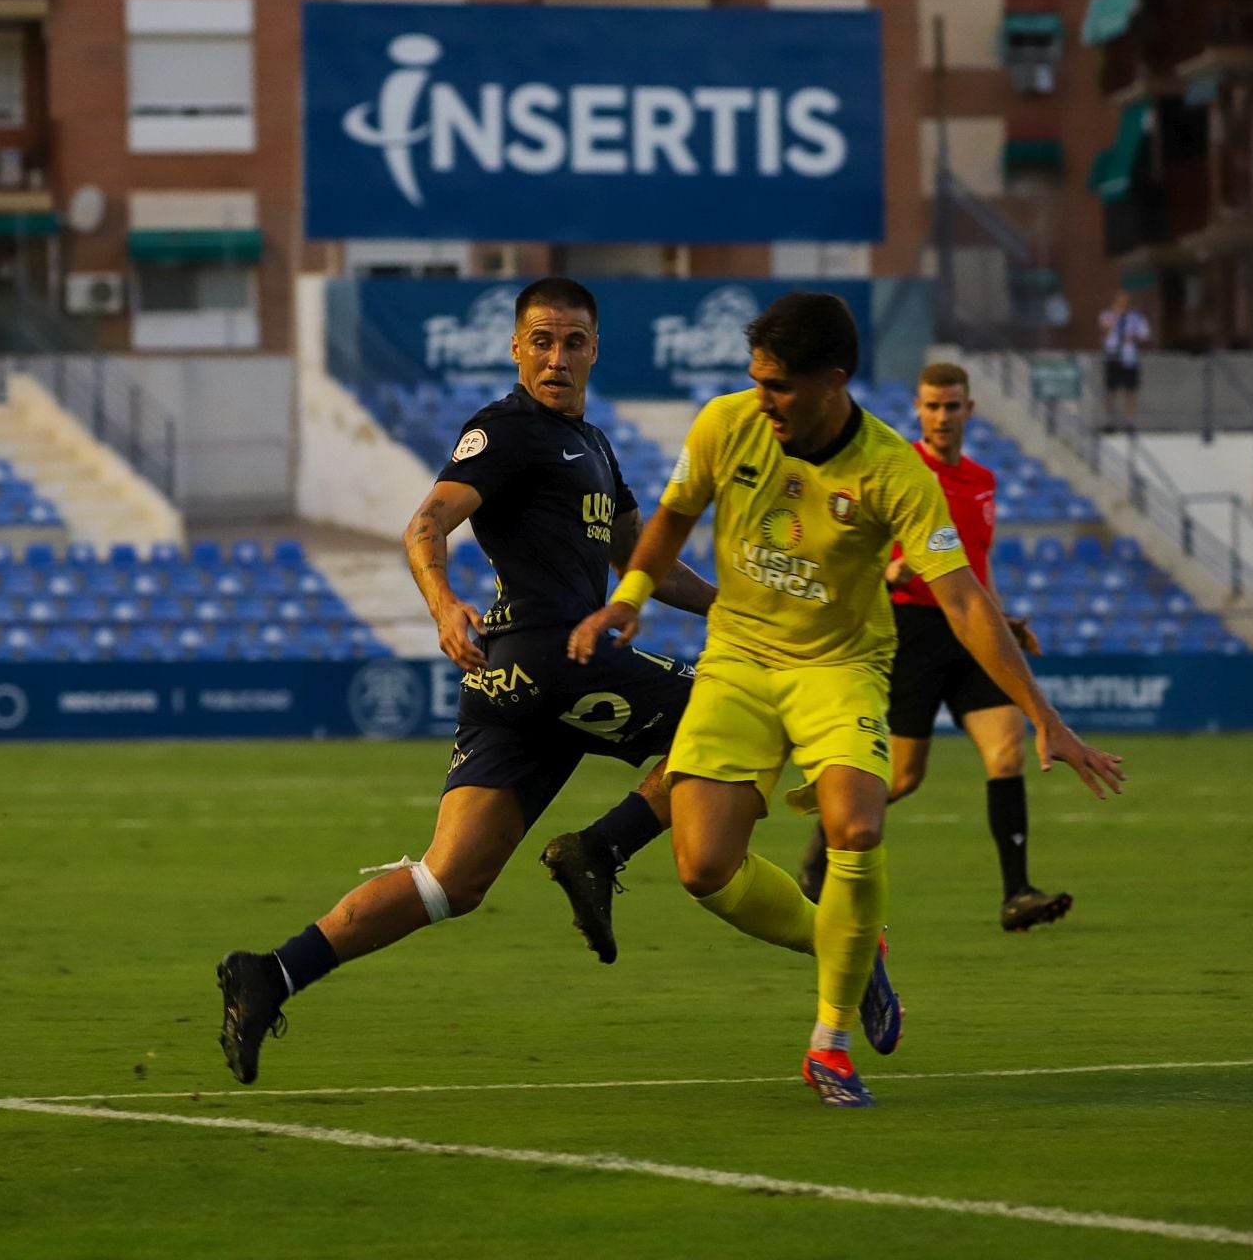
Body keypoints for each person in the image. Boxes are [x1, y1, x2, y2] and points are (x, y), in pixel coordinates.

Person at [570, 293, 1124, 1107]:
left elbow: (966, 601)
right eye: (758, 380)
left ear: (834, 380)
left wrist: (1046, 717)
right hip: (739, 659)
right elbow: (673, 516)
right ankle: (857, 954)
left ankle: (829, 1044)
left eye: (781, 385)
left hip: (840, 667)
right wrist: (633, 594)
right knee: (702, 868)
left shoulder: (893, 470)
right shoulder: (727, 423)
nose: (765, 398)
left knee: (857, 824)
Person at [214, 276, 727, 1085]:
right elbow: (427, 521)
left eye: (574, 342)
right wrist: (442, 601)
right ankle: (601, 846)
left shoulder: (594, 447)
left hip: (511, 685)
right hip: (548, 656)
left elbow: (643, 562)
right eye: (542, 341)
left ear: (595, 350)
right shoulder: (506, 431)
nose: (557, 357)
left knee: (448, 881)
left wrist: (733, 607)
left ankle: (271, 973)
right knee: (728, 718)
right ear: (517, 348)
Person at [796, 363, 1072, 932]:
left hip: (967, 633)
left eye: (952, 406)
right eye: (932, 406)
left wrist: (1005, 622)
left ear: (969, 410)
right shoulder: (895, 469)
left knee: (1007, 753)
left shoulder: (983, 481)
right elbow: (845, 547)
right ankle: (825, 842)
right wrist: (888, 570)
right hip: (910, 632)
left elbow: (977, 567)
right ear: (918, 410)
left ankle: (1017, 893)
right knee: (903, 778)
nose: (942, 416)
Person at [1099, 290, 1150, 429]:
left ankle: (1130, 421)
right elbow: (1104, 333)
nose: (1122, 303)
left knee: (1130, 390)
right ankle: (1111, 421)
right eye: (1119, 300)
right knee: (1111, 389)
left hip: (1129, 356)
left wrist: (1132, 337)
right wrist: (1114, 319)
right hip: (1113, 355)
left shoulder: (1136, 317)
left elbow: (1144, 336)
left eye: (1124, 301)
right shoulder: (1107, 315)